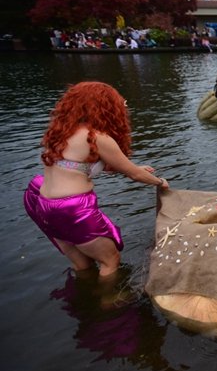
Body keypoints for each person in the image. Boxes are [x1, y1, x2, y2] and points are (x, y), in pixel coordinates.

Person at [23, 82, 169, 277]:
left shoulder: (60, 131)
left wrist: (134, 168)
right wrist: (159, 182)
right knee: (110, 261)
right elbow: (134, 174)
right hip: (73, 209)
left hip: (44, 205)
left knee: (82, 265)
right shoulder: (97, 137)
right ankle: (109, 297)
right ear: (104, 108)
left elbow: (79, 166)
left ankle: (83, 294)